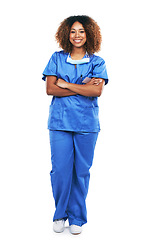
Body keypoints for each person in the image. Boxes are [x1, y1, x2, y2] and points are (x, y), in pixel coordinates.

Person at [42, 15, 109, 235]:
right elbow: (51, 89)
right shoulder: (57, 58)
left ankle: (77, 217)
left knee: (81, 171)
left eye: (81, 31)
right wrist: (82, 86)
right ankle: (60, 214)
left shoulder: (97, 62)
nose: (77, 35)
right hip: (60, 122)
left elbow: (96, 91)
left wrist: (66, 84)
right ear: (66, 34)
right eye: (73, 31)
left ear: (89, 34)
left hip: (86, 124)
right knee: (60, 171)